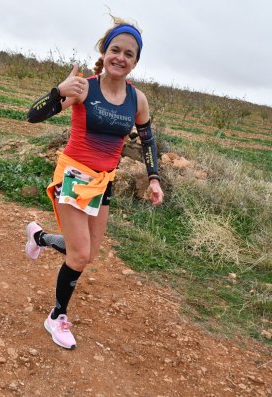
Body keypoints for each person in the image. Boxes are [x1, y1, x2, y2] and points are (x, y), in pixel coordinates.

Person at [25, 15, 164, 350]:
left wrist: (154, 179)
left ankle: (40, 237)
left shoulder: (137, 100)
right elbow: (33, 115)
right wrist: (58, 92)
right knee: (80, 253)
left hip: (104, 182)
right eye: (115, 49)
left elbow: (147, 141)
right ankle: (56, 316)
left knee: (86, 254)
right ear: (105, 51)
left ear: (135, 61)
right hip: (72, 177)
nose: (121, 57)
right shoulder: (84, 87)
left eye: (129, 54)